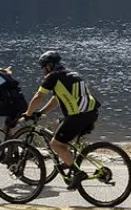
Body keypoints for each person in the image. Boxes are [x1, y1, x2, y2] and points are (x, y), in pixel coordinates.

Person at [22, 50, 100, 190]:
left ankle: (77, 173)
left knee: (55, 144)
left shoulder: (53, 76)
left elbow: (39, 96)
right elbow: (56, 98)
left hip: (78, 115)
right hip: (92, 112)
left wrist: (28, 113)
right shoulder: (71, 73)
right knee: (59, 124)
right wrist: (41, 112)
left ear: (49, 66)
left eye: (43, 67)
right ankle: (68, 159)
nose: (42, 71)